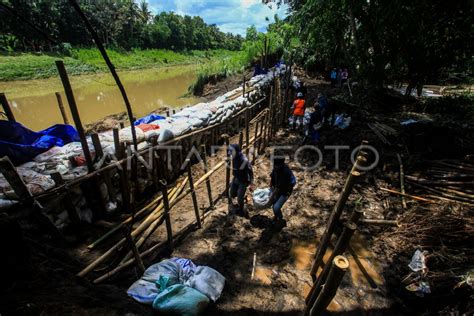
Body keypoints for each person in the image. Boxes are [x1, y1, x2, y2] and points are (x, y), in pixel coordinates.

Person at [270, 157, 296, 229]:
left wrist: (271, 197)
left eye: (277, 165)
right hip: (277, 188)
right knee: (274, 204)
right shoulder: (276, 167)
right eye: (275, 165)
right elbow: (272, 176)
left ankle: (280, 220)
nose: (275, 166)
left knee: (276, 207)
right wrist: (270, 186)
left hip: (285, 191)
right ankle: (277, 216)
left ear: (282, 164)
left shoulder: (285, 172)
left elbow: (279, 188)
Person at [228, 144, 253, 216]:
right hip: (236, 178)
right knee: (232, 193)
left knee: (239, 198)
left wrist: (251, 183)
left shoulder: (244, 160)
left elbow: (250, 171)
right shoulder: (234, 156)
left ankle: (242, 209)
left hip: (243, 181)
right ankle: (242, 196)